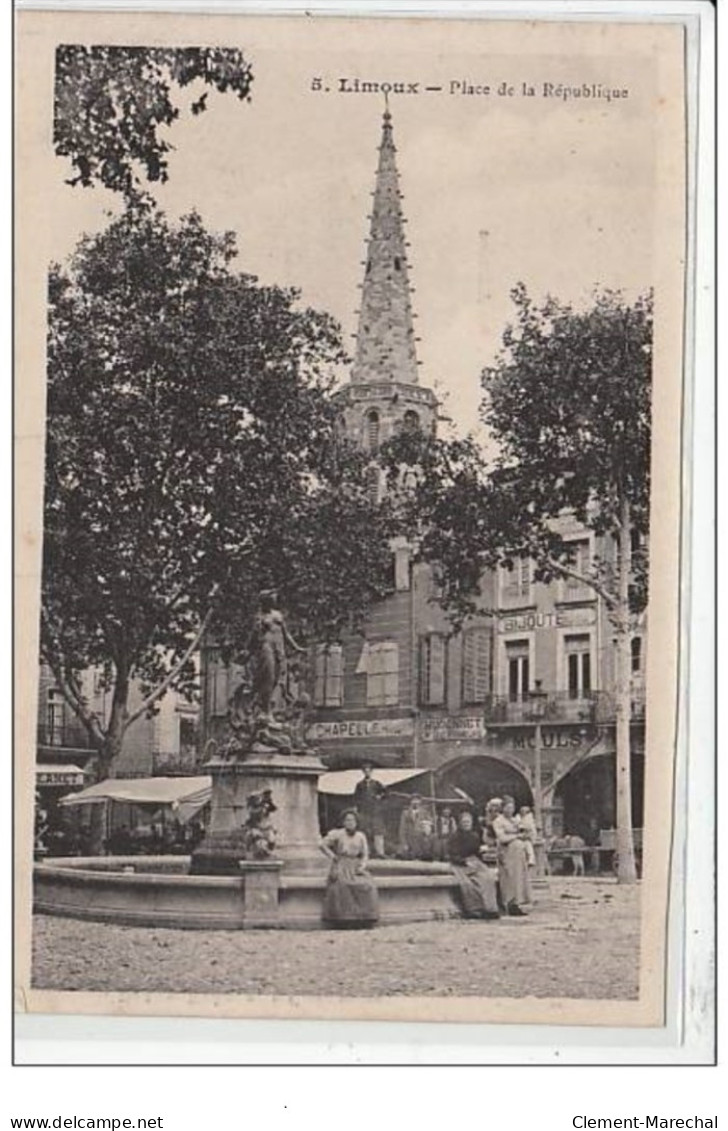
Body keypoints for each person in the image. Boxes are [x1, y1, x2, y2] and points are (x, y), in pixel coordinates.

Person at [320, 810, 380, 928]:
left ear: (357, 822)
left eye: (352, 820)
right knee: (342, 885)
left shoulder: (360, 836)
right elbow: (321, 845)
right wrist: (333, 856)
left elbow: (365, 854)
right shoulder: (338, 834)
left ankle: (363, 917)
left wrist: (362, 866)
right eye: (347, 820)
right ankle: (344, 920)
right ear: (343, 822)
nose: (350, 823)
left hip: (355, 865)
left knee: (368, 885)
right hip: (341, 864)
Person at [446, 810, 500, 919]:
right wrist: (463, 861)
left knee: (488, 878)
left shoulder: (474, 836)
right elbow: (451, 854)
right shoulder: (454, 837)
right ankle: (474, 909)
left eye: (468, 822)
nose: (467, 824)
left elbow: (476, 852)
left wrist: (481, 852)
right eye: (464, 822)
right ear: (460, 823)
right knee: (468, 884)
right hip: (460, 863)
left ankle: (490, 908)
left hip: (474, 861)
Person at [492, 795, 533, 916]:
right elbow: (502, 838)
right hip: (507, 853)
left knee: (519, 878)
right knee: (509, 878)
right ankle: (508, 904)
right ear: (503, 808)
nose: (510, 810)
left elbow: (525, 831)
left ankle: (517, 903)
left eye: (512, 807)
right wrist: (517, 836)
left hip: (518, 854)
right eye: (508, 807)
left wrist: (525, 833)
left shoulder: (516, 820)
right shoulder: (498, 821)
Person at [353, 763, 387, 858]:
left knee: (378, 831)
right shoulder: (359, 785)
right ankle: (366, 852)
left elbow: (385, 793)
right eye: (365, 771)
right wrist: (357, 807)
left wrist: (379, 796)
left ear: (372, 772)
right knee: (364, 831)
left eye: (369, 770)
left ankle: (380, 853)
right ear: (363, 772)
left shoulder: (376, 784)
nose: (367, 772)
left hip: (375, 812)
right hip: (364, 812)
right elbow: (356, 798)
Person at [398, 795, 430, 859]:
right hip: (410, 840)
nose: (415, 802)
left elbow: (428, 826)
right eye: (413, 800)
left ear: (420, 802)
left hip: (421, 840)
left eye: (417, 800)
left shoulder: (425, 813)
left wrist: (426, 836)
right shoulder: (405, 813)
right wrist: (404, 843)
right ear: (410, 802)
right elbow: (402, 829)